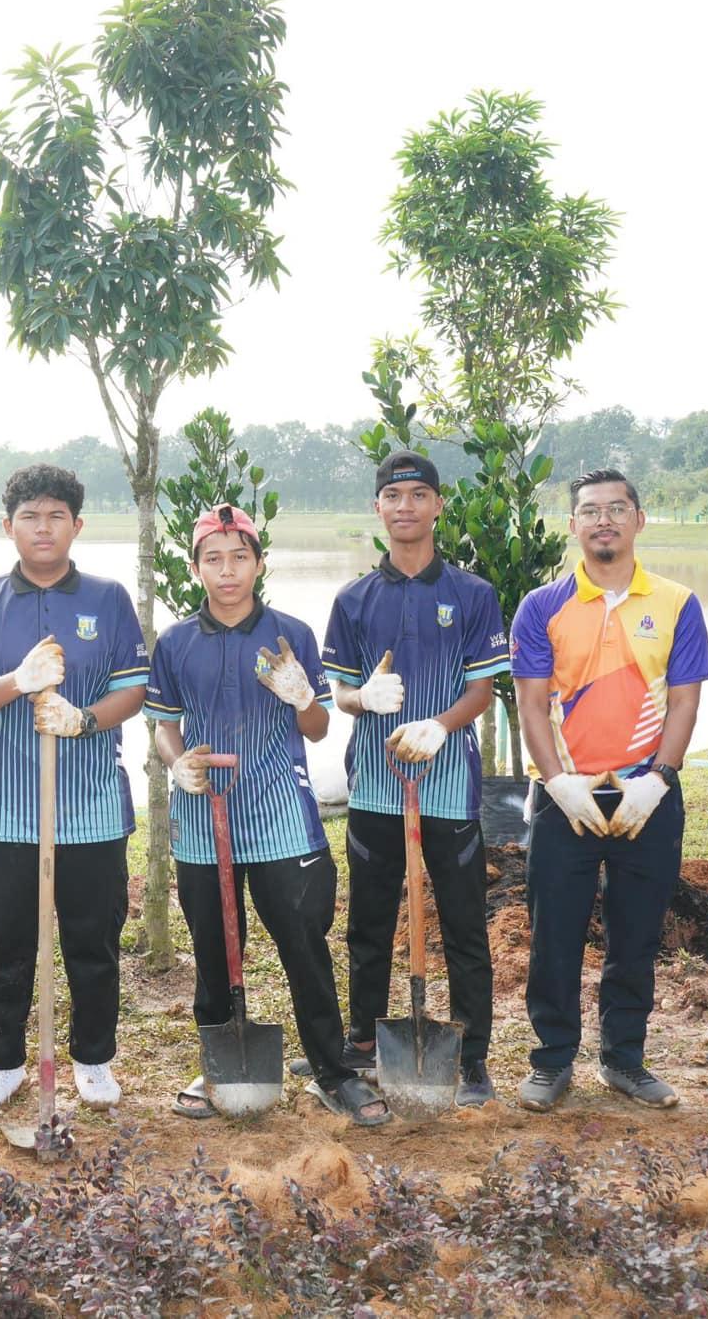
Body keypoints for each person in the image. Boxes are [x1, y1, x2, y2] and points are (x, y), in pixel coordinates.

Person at [147, 505, 388, 1126]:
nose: (227, 572)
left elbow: (317, 726)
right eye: (213, 559)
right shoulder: (175, 643)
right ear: (196, 566)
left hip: (279, 817)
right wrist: (177, 764)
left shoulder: (290, 634)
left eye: (239, 557)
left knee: (304, 947)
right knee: (214, 951)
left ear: (258, 562)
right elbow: (164, 725)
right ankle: (220, 1062)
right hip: (204, 824)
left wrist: (304, 694)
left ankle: (333, 1073)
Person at [0, 464, 148, 1109]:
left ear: (76, 525)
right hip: (4, 808)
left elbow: (134, 688)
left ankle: (93, 1059)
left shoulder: (109, 598)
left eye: (56, 515)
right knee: (4, 940)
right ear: (9, 527)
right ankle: (4, 1061)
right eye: (29, 516)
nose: (43, 527)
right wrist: (16, 683)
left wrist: (82, 719)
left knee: (93, 939)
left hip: (89, 808)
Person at [511, 469, 708, 1112]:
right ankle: (551, 1060)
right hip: (564, 797)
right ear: (572, 525)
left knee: (635, 935)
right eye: (590, 510)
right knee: (555, 934)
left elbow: (684, 702)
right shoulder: (542, 605)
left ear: (639, 519)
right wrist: (559, 782)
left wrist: (660, 779)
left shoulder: (679, 602)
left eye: (617, 508)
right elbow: (532, 704)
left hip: (646, 796)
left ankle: (624, 1059)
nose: (604, 520)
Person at [316, 451, 508, 1108]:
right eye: (393, 495)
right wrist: (362, 697)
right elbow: (337, 690)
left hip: (449, 787)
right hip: (374, 787)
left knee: (463, 927)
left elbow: (483, 687)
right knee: (369, 923)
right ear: (378, 508)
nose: (405, 506)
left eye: (418, 495)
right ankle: (365, 1042)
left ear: (437, 506)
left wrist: (440, 726)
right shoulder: (354, 600)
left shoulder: (473, 595)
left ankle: (473, 1054)